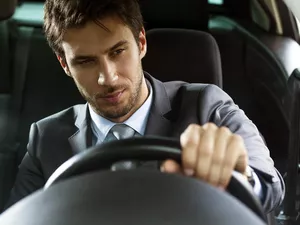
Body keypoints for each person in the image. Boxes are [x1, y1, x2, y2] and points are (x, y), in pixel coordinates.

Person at [5, 0, 284, 213]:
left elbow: (271, 188)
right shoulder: (45, 137)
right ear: (65, 64)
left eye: (117, 52)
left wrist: (238, 175)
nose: (108, 78)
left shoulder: (207, 106)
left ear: (140, 42)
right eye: (85, 61)